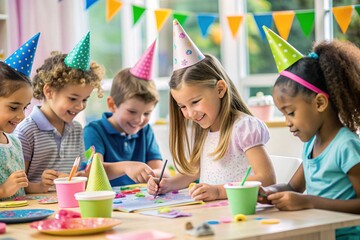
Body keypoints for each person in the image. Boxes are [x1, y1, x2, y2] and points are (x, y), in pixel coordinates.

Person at [147, 20, 275, 202]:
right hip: (213, 215)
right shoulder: (205, 129)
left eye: (195, 102)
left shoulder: (243, 127)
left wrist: (219, 192)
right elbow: (195, 172)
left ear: (220, 89)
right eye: (183, 106)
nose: (190, 113)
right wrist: (168, 184)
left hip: (240, 215)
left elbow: (267, 178)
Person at [258, 27, 360, 239]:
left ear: (320, 103)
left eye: (291, 113)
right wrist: (268, 192)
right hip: (318, 233)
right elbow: (293, 186)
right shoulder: (311, 145)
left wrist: (309, 201)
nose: (287, 122)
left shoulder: (346, 146)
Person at [14, 32, 105, 193]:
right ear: (49, 91)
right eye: (73, 99)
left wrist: (82, 175)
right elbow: (19, 186)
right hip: (37, 207)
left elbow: (78, 171)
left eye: (84, 100)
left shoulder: (76, 129)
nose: (80, 106)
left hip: (67, 202)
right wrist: (41, 185)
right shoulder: (27, 131)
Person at [83, 41, 166, 187]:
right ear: (112, 105)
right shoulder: (93, 131)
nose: (139, 120)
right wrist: (127, 167)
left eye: (147, 113)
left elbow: (161, 171)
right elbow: (91, 171)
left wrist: (153, 175)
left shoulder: (145, 131)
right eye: (132, 111)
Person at [0, 33, 40, 199]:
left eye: (25, 108)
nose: (21, 116)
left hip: (21, 216)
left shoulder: (15, 143)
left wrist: (41, 186)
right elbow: (8, 189)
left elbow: (20, 187)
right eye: (14, 107)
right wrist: (2, 191)